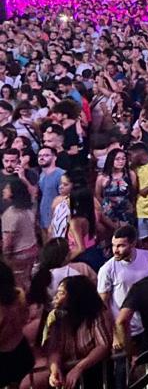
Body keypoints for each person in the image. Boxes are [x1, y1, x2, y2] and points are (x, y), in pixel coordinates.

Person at [43, 276, 113, 389]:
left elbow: (103, 345)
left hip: (95, 374)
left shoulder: (96, 313)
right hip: (66, 376)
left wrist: (79, 368)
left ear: (74, 296)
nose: (56, 297)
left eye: (61, 293)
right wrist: (54, 369)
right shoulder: (57, 317)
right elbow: (54, 348)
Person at [97, 226, 148, 350]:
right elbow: (103, 306)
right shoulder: (107, 269)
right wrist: (114, 335)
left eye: (121, 246)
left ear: (133, 243)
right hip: (126, 331)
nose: (115, 250)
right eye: (113, 245)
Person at [0, 260, 33, 389]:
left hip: (5, 360)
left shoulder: (3, 308)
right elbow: (25, 318)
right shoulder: (18, 296)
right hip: (21, 350)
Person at [2, 178, 38, 291]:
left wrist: (6, 256)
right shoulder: (28, 209)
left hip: (19, 255)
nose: (3, 190)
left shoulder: (10, 214)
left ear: (13, 192)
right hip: (32, 250)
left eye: (7, 188)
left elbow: (8, 240)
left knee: (18, 283)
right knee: (27, 279)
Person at [35, 147, 65, 235]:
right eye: (40, 156)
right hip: (43, 218)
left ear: (55, 157)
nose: (42, 158)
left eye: (46, 155)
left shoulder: (61, 175)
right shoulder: (41, 175)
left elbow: (65, 198)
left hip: (57, 220)